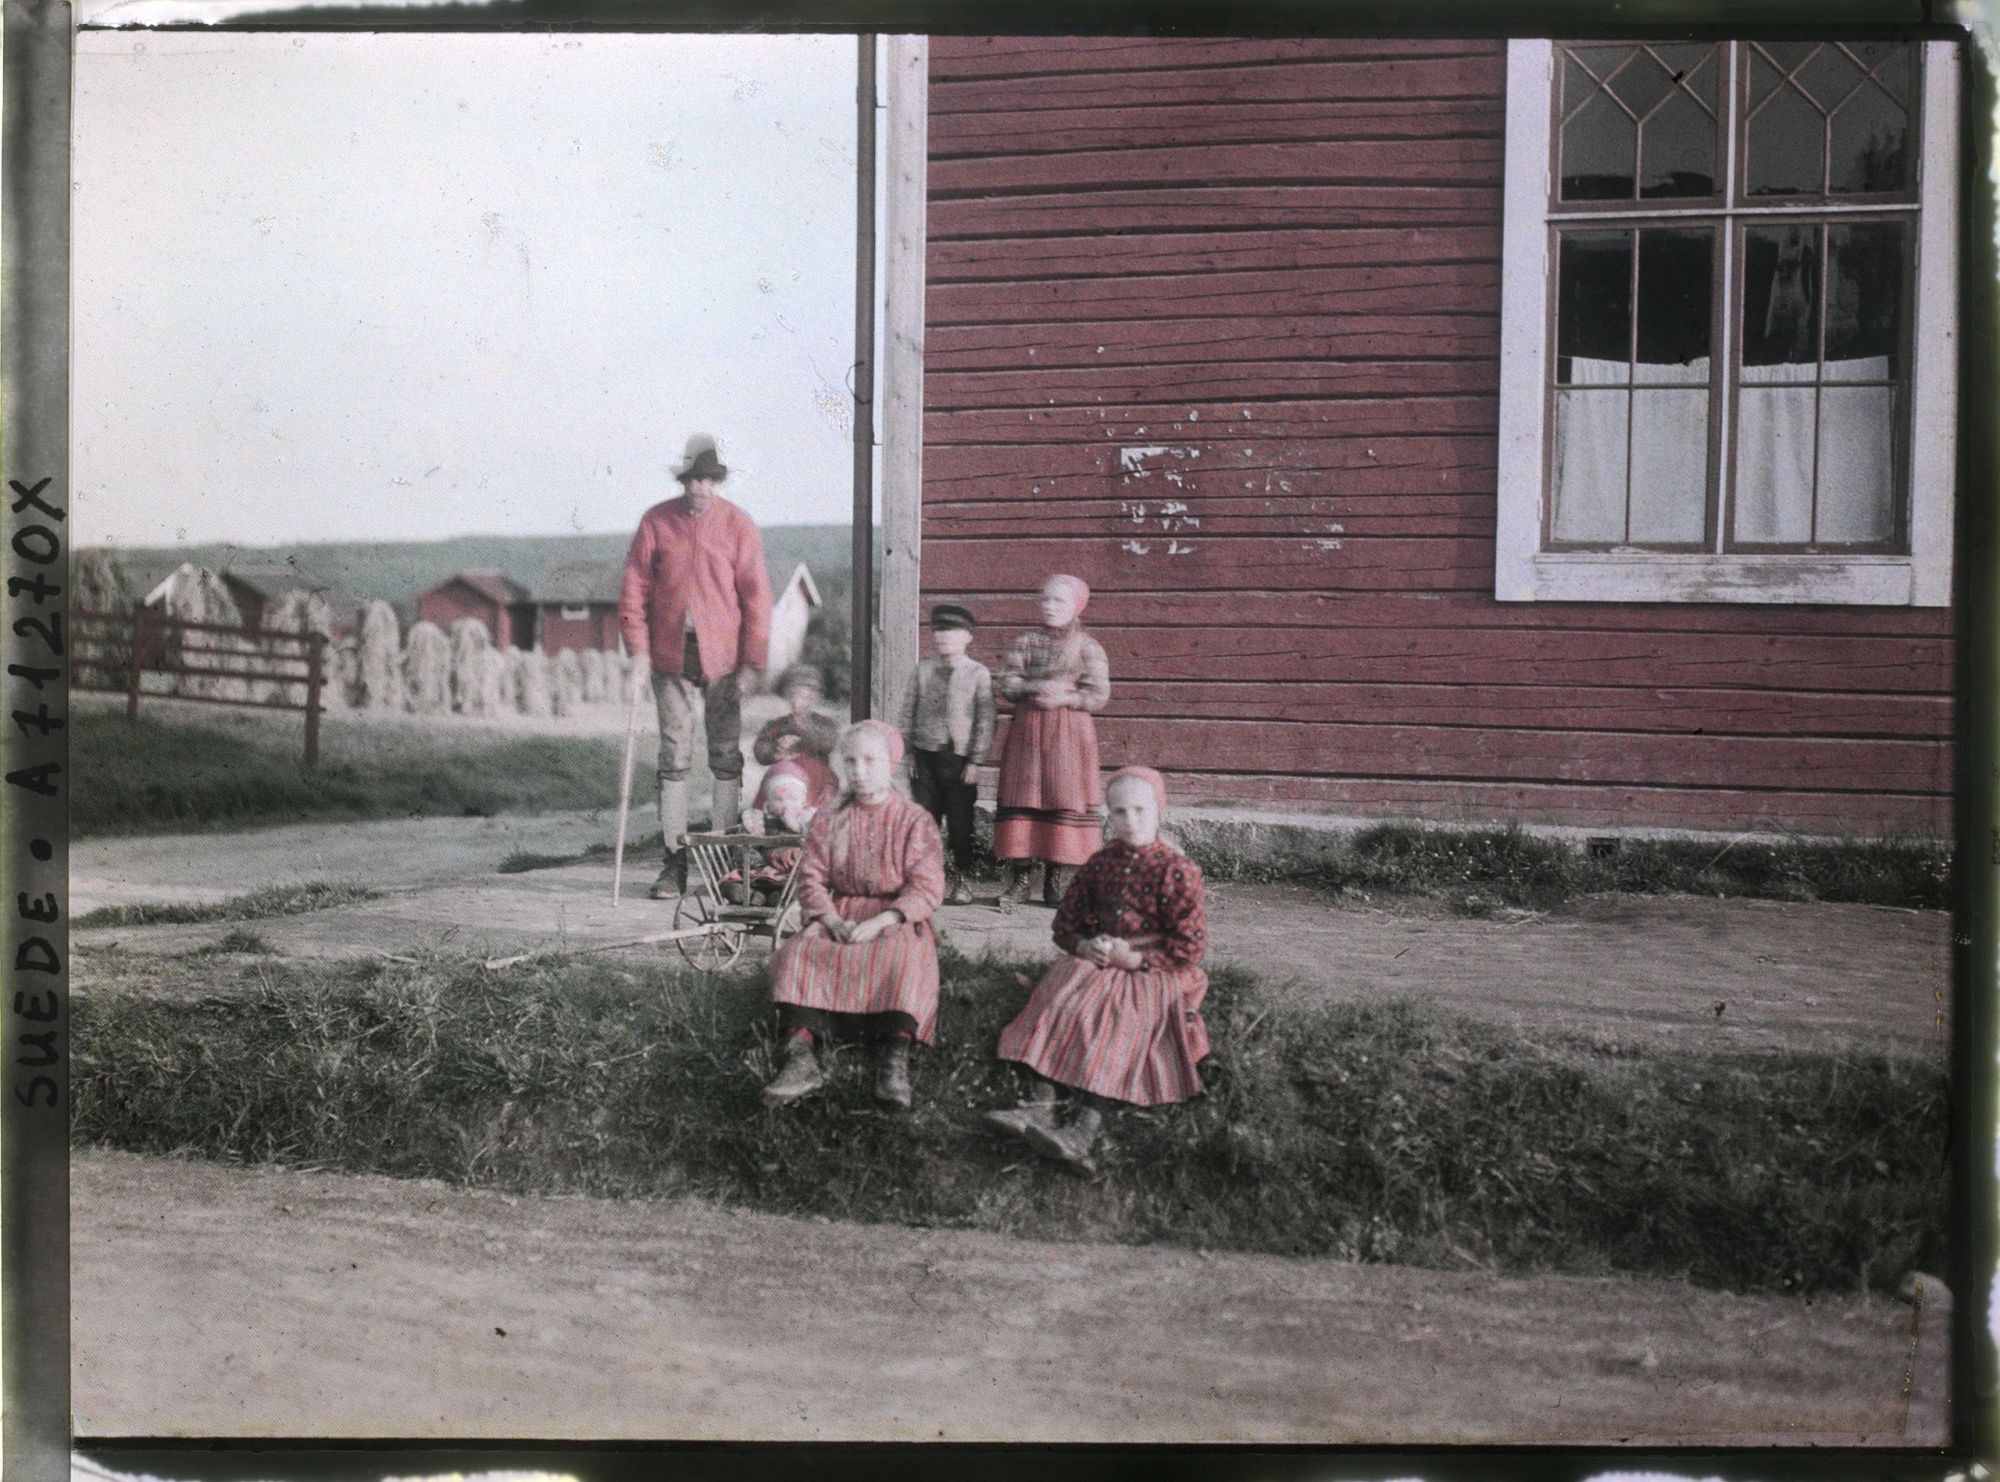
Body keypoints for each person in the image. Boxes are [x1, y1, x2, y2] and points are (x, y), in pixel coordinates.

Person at [985, 766, 1209, 1173]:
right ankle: (1039, 1109)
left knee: (1117, 1023)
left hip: (1151, 969)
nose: (1131, 821)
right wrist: (1085, 944)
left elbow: (1189, 946)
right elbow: (1066, 923)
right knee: (1059, 1003)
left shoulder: (1177, 870)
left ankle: (1083, 1132)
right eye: (1120, 812)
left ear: (1160, 810)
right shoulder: (1100, 863)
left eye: (1141, 810)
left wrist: (1138, 959)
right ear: (1109, 815)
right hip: (1101, 959)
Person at [761, 720, 947, 1111]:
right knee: (798, 955)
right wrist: (830, 920)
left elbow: (926, 887)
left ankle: (892, 1061)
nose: (859, 771)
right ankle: (800, 1058)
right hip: (840, 911)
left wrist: (882, 921)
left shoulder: (914, 820)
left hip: (894, 918)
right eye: (851, 761)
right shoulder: (829, 818)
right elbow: (810, 878)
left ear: (889, 764)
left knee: (904, 960)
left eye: (869, 761)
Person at [619, 438, 773, 899]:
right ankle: (676, 860)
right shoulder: (656, 521)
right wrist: (639, 654)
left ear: (716, 482)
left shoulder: (738, 525)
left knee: (725, 754)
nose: (699, 488)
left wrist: (751, 664)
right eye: (692, 480)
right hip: (669, 657)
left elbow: (757, 600)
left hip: (723, 660)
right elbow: (633, 590)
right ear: (683, 481)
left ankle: (724, 857)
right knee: (674, 755)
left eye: (707, 480)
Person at [992, 574, 1110, 912]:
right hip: (1029, 731)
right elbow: (1008, 683)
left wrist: (1067, 696)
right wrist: (1034, 689)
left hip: (1069, 735)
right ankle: (1019, 882)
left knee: (1062, 798)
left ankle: (1054, 883)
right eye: (1045, 600)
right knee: (1024, 798)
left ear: (1076, 607)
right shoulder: (1026, 642)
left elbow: (1099, 694)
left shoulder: (1088, 647)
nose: (1049, 607)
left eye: (1058, 601)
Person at [894, 602, 996, 907]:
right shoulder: (922, 670)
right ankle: (926, 880)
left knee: (960, 822)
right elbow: (907, 712)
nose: (943, 638)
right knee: (925, 821)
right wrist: (909, 751)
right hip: (924, 758)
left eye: (951, 632)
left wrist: (976, 760)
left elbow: (986, 719)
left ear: (968, 637)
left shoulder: (978, 673)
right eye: (938, 631)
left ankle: (961, 880)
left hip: (959, 760)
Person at [721, 761, 818, 908]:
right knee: (733, 883)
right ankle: (750, 894)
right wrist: (760, 867)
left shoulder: (808, 821)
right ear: (768, 802)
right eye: (778, 799)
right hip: (761, 872)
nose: (785, 803)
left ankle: (776, 897)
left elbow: (819, 845)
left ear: (803, 803)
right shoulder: (757, 820)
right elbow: (744, 846)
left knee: (800, 886)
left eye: (792, 799)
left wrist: (797, 828)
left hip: (791, 875)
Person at [752, 663, 841, 810]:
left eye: (806, 694)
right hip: (783, 775)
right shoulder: (777, 725)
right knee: (773, 793)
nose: (799, 699)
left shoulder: (824, 724)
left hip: (815, 778)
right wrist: (777, 750)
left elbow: (828, 742)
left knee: (818, 807)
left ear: (816, 697)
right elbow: (760, 751)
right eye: (793, 693)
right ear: (787, 695)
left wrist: (800, 737)